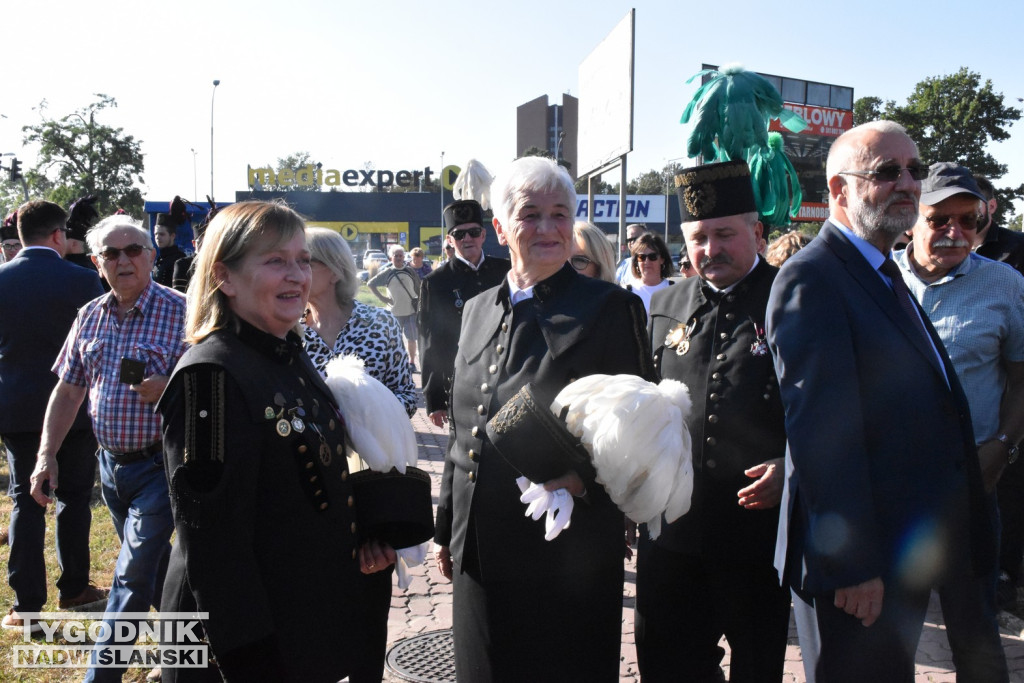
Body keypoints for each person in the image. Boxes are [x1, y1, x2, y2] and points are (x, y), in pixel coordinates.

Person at [767, 121, 995, 682]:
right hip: (861, 566)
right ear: (839, 191)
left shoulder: (880, 271)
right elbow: (822, 434)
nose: (909, 184)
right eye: (887, 172)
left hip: (900, 549)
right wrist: (853, 565)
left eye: (915, 169)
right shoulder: (813, 278)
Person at [434, 156, 656, 682]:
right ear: (499, 228)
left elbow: (637, 430)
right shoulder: (477, 308)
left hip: (564, 555)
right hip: (480, 550)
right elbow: (465, 425)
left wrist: (583, 477)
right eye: (529, 214)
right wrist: (448, 527)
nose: (547, 228)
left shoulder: (609, 307)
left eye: (560, 214)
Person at [157, 201, 396, 683]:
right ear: (224, 276)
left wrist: (369, 527)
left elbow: (304, 474)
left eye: (303, 260)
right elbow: (214, 547)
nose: (297, 276)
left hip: (296, 622)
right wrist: (252, 661)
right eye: (275, 261)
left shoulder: (285, 351)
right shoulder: (213, 376)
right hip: (242, 648)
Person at [636, 160, 790, 682]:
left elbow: (831, 404)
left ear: (757, 233)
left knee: (758, 666)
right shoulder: (666, 302)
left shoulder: (793, 299)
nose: (710, 249)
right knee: (668, 662)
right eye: (698, 238)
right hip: (672, 534)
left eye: (725, 234)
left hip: (757, 538)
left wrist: (793, 463)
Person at [31, 214, 187, 682]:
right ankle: (190, 651)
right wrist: (46, 454)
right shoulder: (90, 315)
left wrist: (172, 386)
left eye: (134, 250)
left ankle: (102, 675)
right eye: (111, 254)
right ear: (97, 263)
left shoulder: (183, 311)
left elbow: (216, 385)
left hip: (161, 465)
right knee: (155, 569)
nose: (124, 260)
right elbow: (68, 390)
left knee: (132, 573)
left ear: (152, 256)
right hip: (112, 470)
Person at [894, 162, 1023, 682]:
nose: (955, 231)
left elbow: (1022, 380)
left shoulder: (1005, 284)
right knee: (889, 632)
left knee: (975, 631)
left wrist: (1003, 444)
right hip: (892, 492)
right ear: (911, 220)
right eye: (939, 218)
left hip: (971, 485)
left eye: (969, 220)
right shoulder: (877, 279)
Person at [0, 201, 106, 633]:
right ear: (60, 235)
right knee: (75, 497)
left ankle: (26, 605)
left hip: (17, 407)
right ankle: (75, 587)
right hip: (76, 406)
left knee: (26, 499)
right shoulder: (84, 281)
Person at [972, 174, 1024, 607]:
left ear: (990, 205)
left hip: (1007, 393)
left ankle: (1004, 571)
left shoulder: (1016, 253)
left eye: (972, 209)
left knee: (1004, 487)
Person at [303, 227, 417, 416]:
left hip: (369, 445)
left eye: (306, 263)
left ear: (335, 271)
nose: (294, 272)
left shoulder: (380, 323)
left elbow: (407, 397)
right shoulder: (290, 331)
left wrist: (364, 417)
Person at [418, 199, 510, 427]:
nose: (467, 239)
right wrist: (434, 398)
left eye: (473, 232)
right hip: (462, 382)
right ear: (449, 240)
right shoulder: (436, 282)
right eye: (459, 235)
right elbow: (430, 343)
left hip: (507, 377)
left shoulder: (507, 271)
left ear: (483, 235)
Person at [367, 244, 420, 369]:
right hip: (394, 312)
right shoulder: (388, 272)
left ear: (404, 257)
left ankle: (411, 362)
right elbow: (371, 284)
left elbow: (419, 286)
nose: (398, 258)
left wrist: (420, 301)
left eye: (401, 255)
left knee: (412, 339)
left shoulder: (410, 271)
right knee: (394, 340)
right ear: (391, 257)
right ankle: (398, 363)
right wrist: (382, 298)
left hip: (411, 311)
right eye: (396, 255)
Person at [625, 232, 673, 314]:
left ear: (662, 259)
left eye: (652, 256)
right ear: (636, 261)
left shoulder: (674, 289)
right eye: (641, 257)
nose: (647, 261)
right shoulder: (626, 291)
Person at [152, 212, 186, 287]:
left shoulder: (180, 259)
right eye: (156, 234)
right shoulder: (159, 259)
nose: (157, 237)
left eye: (162, 234)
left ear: (172, 236)